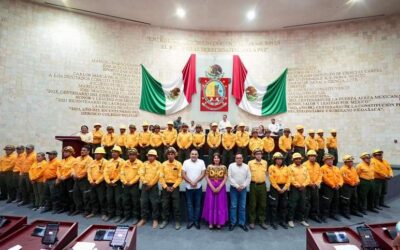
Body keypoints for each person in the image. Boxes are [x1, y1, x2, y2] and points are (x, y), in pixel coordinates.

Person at [202, 153, 228, 229]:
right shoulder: (209, 166)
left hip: (221, 186)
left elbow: (225, 178)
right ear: (213, 159)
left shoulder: (224, 167)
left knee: (220, 204)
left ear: (220, 159)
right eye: (215, 158)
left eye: (218, 158)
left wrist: (220, 187)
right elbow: (206, 177)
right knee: (211, 204)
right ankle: (211, 222)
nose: (216, 159)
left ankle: (219, 222)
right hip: (210, 186)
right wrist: (212, 187)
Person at [159, 147, 183, 230]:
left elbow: (180, 177)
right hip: (165, 186)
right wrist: (165, 187)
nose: (170, 155)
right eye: (168, 154)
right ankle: (164, 220)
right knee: (165, 204)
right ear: (166, 155)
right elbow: (161, 177)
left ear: (175, 155)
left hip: (174, 186)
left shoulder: (179, 164)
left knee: (176, 205)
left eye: (172, 154)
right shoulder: (163, 164)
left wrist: (173, 186)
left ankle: (177, 221)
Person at [138, 149, 162, 229]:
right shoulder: (144, 164)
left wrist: (151, 184)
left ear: (155, 157)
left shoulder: (159, 164)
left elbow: (158, 175)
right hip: (145, 186)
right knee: (143, 202)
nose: (150, 157)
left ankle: (155, 219)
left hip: (154, 186)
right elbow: (141, 173)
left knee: (155, 203)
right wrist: (145, 182)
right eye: (149, 156)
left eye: (152, 156)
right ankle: (143, 218)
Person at [182, 149, 206, 230]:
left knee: (197, 206)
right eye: (192, 154)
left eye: (195, 154)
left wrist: (195, 182)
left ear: (198, 155)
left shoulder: (201, 162)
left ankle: (196, 221)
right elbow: (183, 174)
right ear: (190, 155)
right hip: (188, 187)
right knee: (189, 205)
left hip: (198, 186)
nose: (194, 155)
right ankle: (191, 221)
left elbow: (203, 173)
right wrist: (191, 182)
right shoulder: (186, 162)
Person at [228, 153, 251, 232]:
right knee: (233, 206)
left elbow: (249, 177)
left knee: (242, 207)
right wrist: (237, 186)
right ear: (235, 159)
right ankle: (233, 223)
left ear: (243, 159)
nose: (239, 159)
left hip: (243, 189)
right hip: (234, 188)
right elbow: (230, 177)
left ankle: (242, 223)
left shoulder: (246, 166)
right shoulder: (231, 166)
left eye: (240, 158)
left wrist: (243, 186)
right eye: (237, 158)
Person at [103, 146, 125, 223]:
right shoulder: (109, 161)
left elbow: (121, 173)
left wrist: (114, 181)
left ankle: (118, 215)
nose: (113, 153)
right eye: (112, 152)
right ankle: (110, 214)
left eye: (115, 152)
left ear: (119, 153)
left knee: (118, 200)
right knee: (109, 199)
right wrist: (108, 181)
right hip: (109, 183)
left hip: (117, 183)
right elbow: (105, 172)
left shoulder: (122, 162)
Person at [287, 153, 310, 228]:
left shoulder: (304, 167)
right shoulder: (290, 167)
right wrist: (297, 185)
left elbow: (308, 178)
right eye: (296, 159)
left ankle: (302, 219)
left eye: (299, 159)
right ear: (293, 160)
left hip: (303, 188)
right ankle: (290, 220)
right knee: (292, 205)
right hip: (294, 189)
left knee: (303, 204)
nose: (298, 160)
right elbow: (290, 178)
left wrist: (303, 185)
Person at [268, 152, 290, 230]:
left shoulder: (286, 168)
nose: (279, 160)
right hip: (275, 188)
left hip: (284, 187)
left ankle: (282, 221)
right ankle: (273, 222)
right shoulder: (271, 167)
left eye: (280, 159)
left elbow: (289, 179)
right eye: (277, 159)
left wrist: (285, 188)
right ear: (274, 160)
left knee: (283, 205)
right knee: (274, 205)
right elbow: (272, 179)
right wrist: (278, 188)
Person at [120, 148, 142, 224]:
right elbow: (122, 173)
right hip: (126, 185)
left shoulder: (139, 163)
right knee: (126, 201)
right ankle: (126, 216)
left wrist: (131, 182)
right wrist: (125, 182)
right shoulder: (125, 163)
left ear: (136, 155)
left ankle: (135, 217)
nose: (131, 156)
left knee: (135, 202)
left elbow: (139, 175)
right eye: (130, 154)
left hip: (134, 185)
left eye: (133, 155)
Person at [248, 149, 268, 230]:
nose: (258, 155)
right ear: (254, 155)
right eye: (257, 154)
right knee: (253, 204)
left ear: (262, 155)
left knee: (263, 204)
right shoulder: (250, 163)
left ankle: (262, 221)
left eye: (260, 154)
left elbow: (265, 173)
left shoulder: (265, 162)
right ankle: (252, 221)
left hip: (262, 185)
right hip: (253, 185)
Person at [320, 154, 343, 222]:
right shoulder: (322, 168)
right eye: (328, 160)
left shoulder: (336, 168)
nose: (330, 161)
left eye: (331, 160)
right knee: (326, 202)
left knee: (335, 201)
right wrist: (333, 185)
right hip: (327, 188)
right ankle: (324, 216)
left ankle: (333, 214)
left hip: (337, 187)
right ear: (325, 161)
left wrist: (339, 184)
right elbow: (324, 178)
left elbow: (340, 177)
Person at [86, 147, 108, 219]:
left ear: (102, 154)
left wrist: (97, 182)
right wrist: (91, 181)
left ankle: (104, 213)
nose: (96, 155)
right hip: (92, 183)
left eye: (98, 154)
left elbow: (105, 173)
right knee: (93, 198)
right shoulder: (92, 162)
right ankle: (94, 212)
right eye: (95, 154)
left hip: (100, 183)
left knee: (102, 198)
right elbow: (88, 172)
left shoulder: (105, 162)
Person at [56, 146, 78, 215]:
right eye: (64, 152)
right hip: (62, 180)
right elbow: (58, 169)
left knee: (70, 195)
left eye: (67, 152)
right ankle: (64, 207)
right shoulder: (62, 161)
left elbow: (72, 169)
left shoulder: (74, 160)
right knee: (62, 194)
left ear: (71, 153)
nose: (65, 153)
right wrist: (59, 177)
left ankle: (71, 209)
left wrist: (64, 177)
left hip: (69, 180)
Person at [72, 146, 93, 216]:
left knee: (85, 196)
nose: (82, 151)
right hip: (76, 180)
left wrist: (80, 176)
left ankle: (87, 210)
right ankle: (78, 209)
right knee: (76, 194)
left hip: (84, 180)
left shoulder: (90, 159)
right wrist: (73, 175)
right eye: (81, 150)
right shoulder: (77, 158)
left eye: (84, 150)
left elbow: (87, 170)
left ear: (88, 152)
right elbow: (73, 168)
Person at [340, 155, 363, 219]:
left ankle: (354, 211)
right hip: (346, 186)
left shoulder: (353, 168)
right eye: (349, 161)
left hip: (354, 186)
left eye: (351, 161)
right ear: (345, 162)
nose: (351, 163)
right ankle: (345, 212)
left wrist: (358, 181)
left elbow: (356, 176)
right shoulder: (343, 169)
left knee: (354, 199)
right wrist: (353, 183)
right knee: (346, 200)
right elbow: (345, 178)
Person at [303, 150, 322, 223]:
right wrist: (310, 183)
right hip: (308, 186)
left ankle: (314, 215)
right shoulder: (304, 165)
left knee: (315, 201)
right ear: (308, 157)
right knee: (307, 201)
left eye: (314, 156)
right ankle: (305, 217)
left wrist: (316, 183)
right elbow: (304, 176)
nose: (313, 157)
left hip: (315, 186)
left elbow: (320, 175)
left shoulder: (317, 165)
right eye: (311, 156)